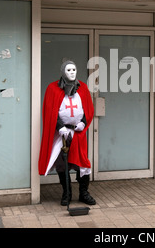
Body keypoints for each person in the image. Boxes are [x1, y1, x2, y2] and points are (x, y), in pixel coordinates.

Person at [38, 59, 96, 206]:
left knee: (83, 162)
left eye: (74, 70)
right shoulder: (53, 88)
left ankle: (84, 193)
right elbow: (50, 111)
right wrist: (60, 127)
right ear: (63, 71)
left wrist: (83, 122)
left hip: (78, 133)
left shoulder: (82, 88)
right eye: (69, 70)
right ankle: (67, 193)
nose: (72, 72)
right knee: (62, 164)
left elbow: (87, 108)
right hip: (62, 133)